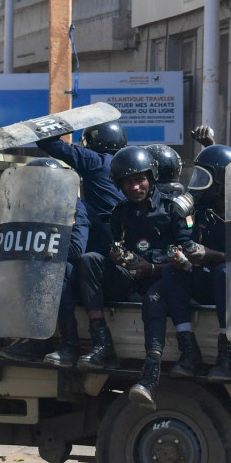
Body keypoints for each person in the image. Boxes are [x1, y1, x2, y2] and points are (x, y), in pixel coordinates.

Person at [128, 144, 231, 408]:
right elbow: (189, 245)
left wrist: (211, 255)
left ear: (223, 182)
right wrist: (185, 256)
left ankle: (228, 355)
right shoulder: (203, 211)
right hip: (210, 282)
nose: (199, 184)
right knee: (174, 273)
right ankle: (189, 350)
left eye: (206, 177)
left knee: (225, 272)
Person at [68, 146, 192, 377]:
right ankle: (102, 342)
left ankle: (155, 368)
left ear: (151, 177)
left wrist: (153, 268)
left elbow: (188, 260)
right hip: (130, 281)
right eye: (126, 183)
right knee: (89, 260)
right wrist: (118, 256)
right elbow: (119, 245)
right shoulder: (120, 212)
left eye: (139, 180)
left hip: (164, 282)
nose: (134, 188)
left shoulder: (172, 209)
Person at [0, 158, 90, 364]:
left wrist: (38, 243)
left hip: (80, 273)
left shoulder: (73, 206)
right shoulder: (36, 204)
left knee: (55, 273)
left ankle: (70, 346)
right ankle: (37, 343)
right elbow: (13, 233)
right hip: (45, 268)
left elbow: (76, 250)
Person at [36, 122, 127, 256]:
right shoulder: (128, 163)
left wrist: (66, 123)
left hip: (102, 234)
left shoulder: (93, 160)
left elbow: (46, 142)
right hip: (129, 232)